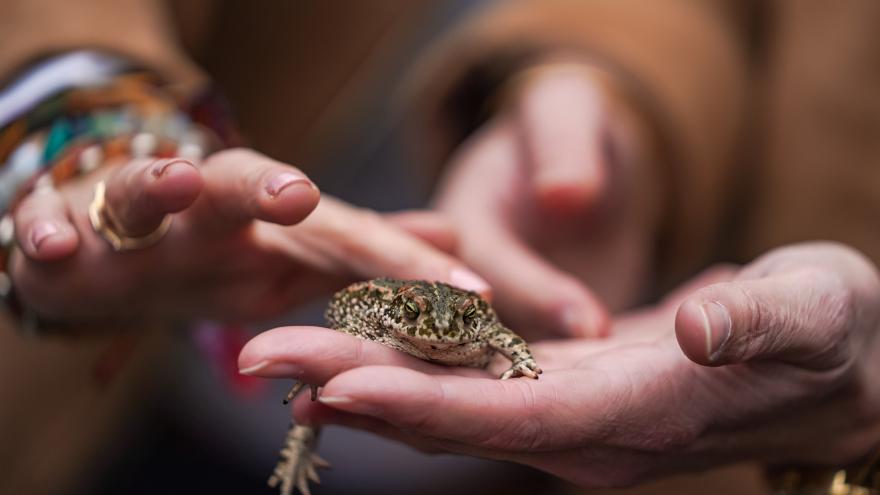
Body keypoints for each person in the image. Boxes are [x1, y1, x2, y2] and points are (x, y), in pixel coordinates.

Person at [241, 1, 880, 493]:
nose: (437, 332)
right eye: (422, 320)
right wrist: (607, 89)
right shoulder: (384, 309)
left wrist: (517, 365)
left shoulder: (475, 326)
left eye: (454, 322)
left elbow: (507, 342)